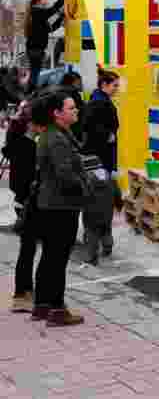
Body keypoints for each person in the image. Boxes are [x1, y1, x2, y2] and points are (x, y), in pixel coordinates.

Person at [32, 91, 88, 326]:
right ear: (56, 113)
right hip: (60, 206)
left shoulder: (55, 135)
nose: (76, 111)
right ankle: (56, 309)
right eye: (71, 108)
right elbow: (65, 174)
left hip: (52, 204)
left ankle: (42, 305)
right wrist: (86, 187)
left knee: (49, 256)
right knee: (57, 258)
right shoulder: (56, 139)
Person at [82, 69, 123, 266]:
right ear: (104, 85)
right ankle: (99, 246)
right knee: (100, 204)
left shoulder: (97, 100)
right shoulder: (99, 103)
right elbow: (91, 127)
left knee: (97, 205)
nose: (117, 88)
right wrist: (107, 135)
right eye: (114, 85)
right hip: (100, 158)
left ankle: (101, 244)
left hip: (99, 158)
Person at [8, 100, 40, 313]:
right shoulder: (26, 147)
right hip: (26, 203)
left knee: (28, 248)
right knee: (27, 249)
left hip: (23, 201)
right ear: (31, 124)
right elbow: (19, 181)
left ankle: (25, 290)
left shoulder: (22, 143)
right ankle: (22, 294)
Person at [25, 0, 64, 91]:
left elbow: (50, 29)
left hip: (36, 48)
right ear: (38, 1)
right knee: (35, 72)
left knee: (35, 72)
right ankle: (31, 92)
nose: (47, 0)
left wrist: (61, 18)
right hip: (35, 48)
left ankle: (31, 91)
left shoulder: (37, 14)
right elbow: (50, 12)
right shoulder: (36, 11)